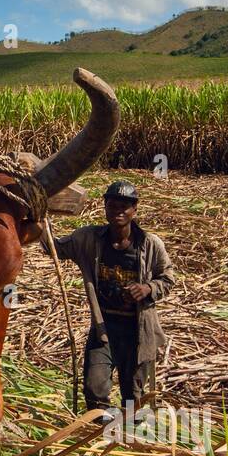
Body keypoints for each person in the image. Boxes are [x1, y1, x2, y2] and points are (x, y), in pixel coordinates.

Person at [54, 180, 175, 423]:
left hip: (137, 331)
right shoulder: (89, 239)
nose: (118, 211)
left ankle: (132, 441)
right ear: (105, 208)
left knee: (135, 398)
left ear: (134, 210)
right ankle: (99, 436)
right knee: (94, 387)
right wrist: (37, 220)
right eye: (113, 205)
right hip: (104, 328)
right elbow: (56, 248)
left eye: (124, 206)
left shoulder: (150, 245)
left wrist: (148, 288)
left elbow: (168, 279)